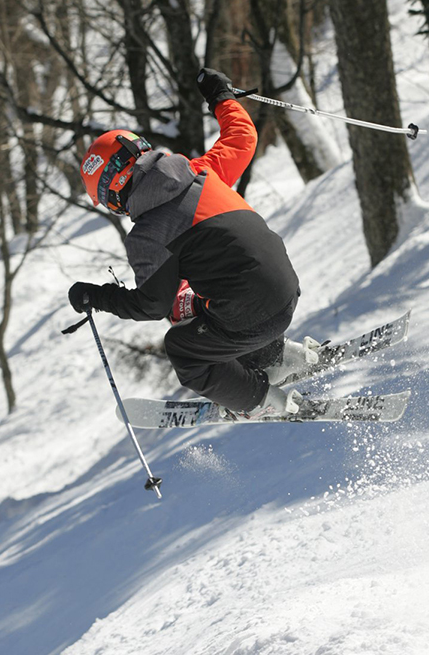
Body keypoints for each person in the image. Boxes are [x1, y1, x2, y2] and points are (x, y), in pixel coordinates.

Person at [68, 68, 319, 417]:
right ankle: (281, 357)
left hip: (253, 313)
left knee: (184, 349)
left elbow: (149, 306)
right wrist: (221, 97)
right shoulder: (200, 171)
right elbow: (242, 138)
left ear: (114, 191)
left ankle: (259, 401)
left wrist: (94, 296)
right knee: (192, 309)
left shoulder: (148, 233)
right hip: (286, 291)